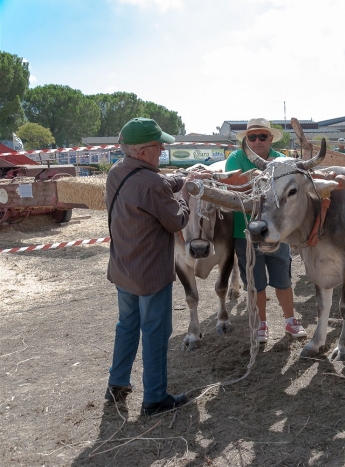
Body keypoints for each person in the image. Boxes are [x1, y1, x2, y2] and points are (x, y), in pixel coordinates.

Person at [105, 117, 208, 416]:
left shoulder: (118, 171)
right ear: (141, 150)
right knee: (156, 330)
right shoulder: (151, 183)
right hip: (150, 273)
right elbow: (177, 220)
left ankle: (118, 383)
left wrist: (181, 177)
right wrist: (186, 194)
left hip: (124, 268)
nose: (163, 147)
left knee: (127, 325)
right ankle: (155, 398)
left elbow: (157, 184)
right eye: (158, 144)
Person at [224, 118, 307, 343]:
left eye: (263, 136)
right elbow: (234, 185)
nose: (257, 140)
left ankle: (290, 321)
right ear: (247, 139)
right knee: (254, 281)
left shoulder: (283, 160)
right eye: (252, 137)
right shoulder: (236, 158)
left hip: (279, 230)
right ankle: (261, 324)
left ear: (271, 138)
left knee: (283, 277)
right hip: (246, 230)